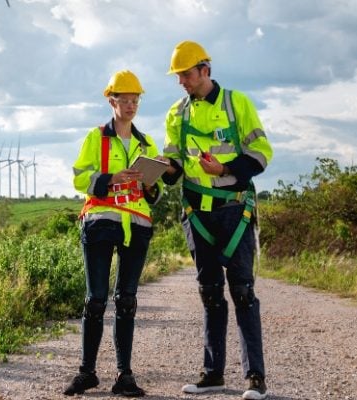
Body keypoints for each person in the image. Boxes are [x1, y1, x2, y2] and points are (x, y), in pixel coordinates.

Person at [161, 41, 273, 400]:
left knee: (242, 292)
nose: (182, 82)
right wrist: (162, 169)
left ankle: (255, 378)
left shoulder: (237, 103)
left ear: (205, 70)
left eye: (187, 75)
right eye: (178, 77)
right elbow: (174, 165)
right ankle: (213, 375)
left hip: (234, 210)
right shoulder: (176, 114)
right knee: (210, 294)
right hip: (197, 215)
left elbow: (261, 154)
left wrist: (224, 168)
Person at [65, 70, 164, 397]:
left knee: (127, 300)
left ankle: (124, 376)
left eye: (136, 99)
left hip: (137, 225)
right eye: (125, 99)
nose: (132, 104)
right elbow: (80, 178)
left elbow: (156, 194)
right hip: (101, 221)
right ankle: (87, 373)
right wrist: (112, 178)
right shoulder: (96, 137)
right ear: (112, 101)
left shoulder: (146, 142)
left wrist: (150, 184)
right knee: (96, 300)